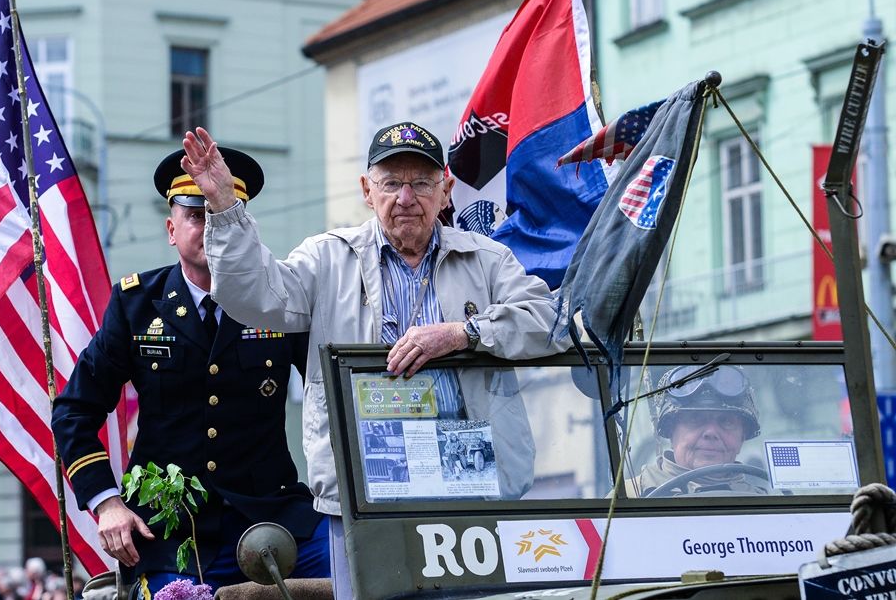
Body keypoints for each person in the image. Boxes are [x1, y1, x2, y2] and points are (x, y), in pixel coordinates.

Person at [181, 121, 560, 595]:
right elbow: (253, 296)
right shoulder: (327, 258)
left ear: (445, 189)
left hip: (469, 475)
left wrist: (464, 333)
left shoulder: (487, 259)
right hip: (367, 480)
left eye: (421, 183)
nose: (406, 197)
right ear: (367, 189)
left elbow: (547, 320)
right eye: (390, 183)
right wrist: (224, 207)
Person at [51, 148, 328, 598]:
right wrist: (107, 504)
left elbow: (333, 390)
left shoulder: (281, 299)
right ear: (171, 229)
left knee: (361, 569)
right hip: (169, 533)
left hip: (274, 515)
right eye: (198, 215)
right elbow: (74, 411)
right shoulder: (137, 304)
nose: (211, 228)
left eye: (222, 215)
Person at [625, 364, 767, 497]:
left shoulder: (770, 506)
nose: (711, 432)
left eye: (726, 422)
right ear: (671, 433)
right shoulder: (627, 497)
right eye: (695, 419)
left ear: (742, 437)